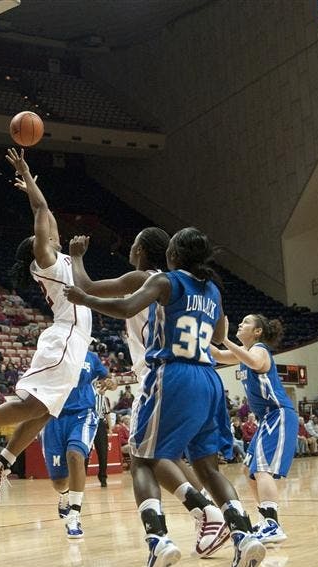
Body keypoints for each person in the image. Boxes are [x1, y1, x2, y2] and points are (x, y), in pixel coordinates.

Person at [65, 227, 265, 567]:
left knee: (142, 460)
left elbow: (126, 307)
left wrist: (84, 298)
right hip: (210, 379)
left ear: (173, 256)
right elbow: (219, 332)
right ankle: (244, 534)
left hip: (171, 374)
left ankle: (158, 540)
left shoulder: (164, 281)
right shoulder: (213, 289)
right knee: (208, 468)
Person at [0, 149, 93, 506]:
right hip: (65, 337)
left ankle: (0, 462)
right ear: (40, 245)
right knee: (33, 404)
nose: (54, 233)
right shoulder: (47, 262)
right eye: (48, 235)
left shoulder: (61, 257)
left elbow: (47, 212)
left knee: (44, 410)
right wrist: (26, 174)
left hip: (75, 342)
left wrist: (32, 189)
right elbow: (42, 211)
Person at [68, 229, 227, 547]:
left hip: (160, 374)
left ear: (141, 250)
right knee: (170, 456)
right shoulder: (182, 284)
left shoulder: (145, 278)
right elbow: (218, 332)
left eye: (133, 244)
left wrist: (76, 257)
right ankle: (212, 512)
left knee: (145, 457)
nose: (130, 248)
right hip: (192, 373)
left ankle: (202, 513)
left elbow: (86, 286)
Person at [214, 313, 302, 544]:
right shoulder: (243, 353)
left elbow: (254, 362)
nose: (240, 324)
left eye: (245, 322)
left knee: (262, 470)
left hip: (278, 414)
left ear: (257, 331)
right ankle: (265, 519)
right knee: (248, 470)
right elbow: (217, 355)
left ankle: (272, 524)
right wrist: (197, 336)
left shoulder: (259, 350)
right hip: (266, 419)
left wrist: (225, 339)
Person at [41, 350, 113, 539]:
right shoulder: (52, 351)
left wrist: (109, 382)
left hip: (83, 413)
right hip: (53, 416)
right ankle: (64, 494)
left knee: (75, 455)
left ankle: (74, 515)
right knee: (59, 482)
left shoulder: (91, 357)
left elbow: (107, 378)